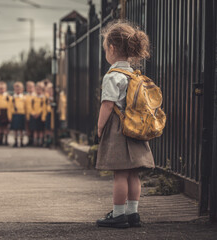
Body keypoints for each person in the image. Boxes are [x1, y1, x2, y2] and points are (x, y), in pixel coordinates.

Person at [95, 20, 154, 228]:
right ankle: (133, 213)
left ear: (111, 48)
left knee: (119, 173)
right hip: (136, 129)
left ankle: (118, 214)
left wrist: (100, 128)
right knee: (133, 173)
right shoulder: (135, 75)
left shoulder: (112, 76)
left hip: (119, 130)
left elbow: (107, 105)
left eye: (105, 49)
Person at [8, 82, 27, 147]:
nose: (18, 91)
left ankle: (21, 141)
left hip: (22, 114)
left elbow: (26, 107)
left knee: (21, 129)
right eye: (16, 89)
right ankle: (15, 141)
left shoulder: (24, 98)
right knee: (15, 129)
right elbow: (9, 108)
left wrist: (26, 115)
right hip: (15, 115)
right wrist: (10, 116)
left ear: (22, 90)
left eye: (19, 89)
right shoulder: (12, 98)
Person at [28, 82, 46, 147]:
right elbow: (30, 106)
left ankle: (40, 142)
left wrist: (39, 113)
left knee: (41, 130)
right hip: (33, 115)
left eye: (40, 89)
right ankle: (35, 142)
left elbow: (43, 107)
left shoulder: (43, 98)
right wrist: (33, 113)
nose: (38, 91)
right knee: (35, 130)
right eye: (37, 89)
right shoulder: (33, 98)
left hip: (40, 116)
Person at [24, 81, 36, 146]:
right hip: (27, 114)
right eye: (28, 87)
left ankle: (34, 141)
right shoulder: (25, 96)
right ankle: (29, 140)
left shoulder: (36, 96)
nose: (30, 88)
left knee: (34, 128)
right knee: (28, 128)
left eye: (31, 87)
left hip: (34, 115)